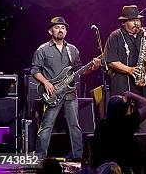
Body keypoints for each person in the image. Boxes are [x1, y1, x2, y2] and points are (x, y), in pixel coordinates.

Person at [32, 17, 101, 159]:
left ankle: (78, 156)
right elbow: (35, 71)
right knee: (46, 127)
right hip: (53, 93)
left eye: (63, 28)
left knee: (74, 126)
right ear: (50, 31)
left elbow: (79, 70)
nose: (60, 30)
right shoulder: (42, 50)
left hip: (70, 93)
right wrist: (46, 83)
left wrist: (93, 67)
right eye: (57, 27)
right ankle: (39, 157)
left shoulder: (72, 50)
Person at [104, 5, 146, 133]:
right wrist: (129, 70)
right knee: (123, 130)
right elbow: (110, 61)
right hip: (123, 88)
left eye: (138, 20)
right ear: (124, 22)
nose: (136, 23)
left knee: (145, 130)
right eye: (132, 20)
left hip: (145, 89)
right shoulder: (115, 36)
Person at [90, 91, 146, 172]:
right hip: (125, 168)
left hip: (104, 169)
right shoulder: (128, 122)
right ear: (125, 108)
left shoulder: (101, 125)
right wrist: (131, 94)